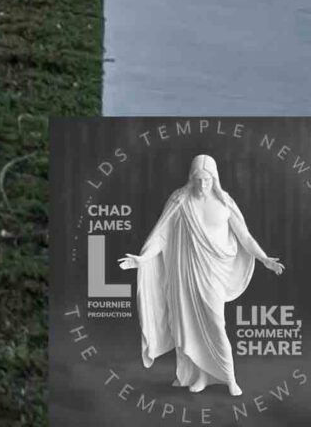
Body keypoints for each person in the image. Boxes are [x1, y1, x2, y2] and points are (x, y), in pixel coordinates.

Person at [120, 154, 284, 397]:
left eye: (207, 179)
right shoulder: (179, 201)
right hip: (186, 274)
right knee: (190, 325)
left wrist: (264, 258)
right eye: (198, 179)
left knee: (216, 324)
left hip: (214, 273)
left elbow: (245, 237)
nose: (202, 185)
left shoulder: (225, 202)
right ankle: (200, 376)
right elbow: (161, 236)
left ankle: (230, 378)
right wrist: (142, 259)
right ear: (191, 178)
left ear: (214, 179)